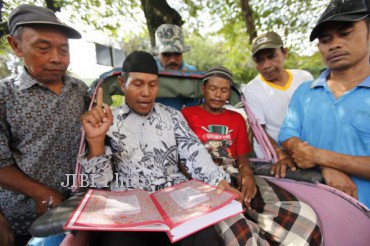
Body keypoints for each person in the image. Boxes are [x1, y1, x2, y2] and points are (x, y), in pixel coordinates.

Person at [80, 51, 245, 245]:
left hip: (178, 204)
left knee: (207, 238)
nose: (146, 93)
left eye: (153, 84)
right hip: (128, 209)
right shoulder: (106, 122)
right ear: (123, 84)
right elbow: (99, 183)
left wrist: (219, 182)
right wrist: (97, 141)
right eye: (138, 84)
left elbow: (194, 153)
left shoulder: (172, 116)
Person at [181, 66, 322, 245]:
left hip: (233, 173)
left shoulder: (236, 118)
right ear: (203, 89)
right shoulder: (186, 115)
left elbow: (242, 157)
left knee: (298, 212)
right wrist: (206, 183)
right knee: (238, 226)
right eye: (213, 88)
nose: (218, 95)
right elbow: (181, 158)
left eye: (224, 90)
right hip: (201, 180)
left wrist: (246, 173)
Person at [0, 4, 88, 245]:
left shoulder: (79, 90)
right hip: (21, 221)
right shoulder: (4, 95)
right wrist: (41, 192)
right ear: (16, 45)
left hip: (76, 214)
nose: (56, 59)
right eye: (43, 48)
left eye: (64, 50)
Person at [279, 0, 370, 209]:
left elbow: (308, 154)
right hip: (313, 213)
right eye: (326, 39)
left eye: (345, 33)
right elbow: (287, 135)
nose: (335, 44)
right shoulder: (305, 91)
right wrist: (325, 165)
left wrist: (320, 157)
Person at [242, 32, 313, 178]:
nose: (266, 65)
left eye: (271, 56)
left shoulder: (305, 78)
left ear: (284, 52)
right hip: (271, 155)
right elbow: (259, 131)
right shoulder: (252, 89)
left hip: (305, 149)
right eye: (259, 60)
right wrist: (279, 154)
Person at [152, 24, 199, 110]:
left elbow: (193, 108)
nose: (172, 60)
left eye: (177, 53)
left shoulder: (191, 74)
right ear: (158, 54)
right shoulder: (147, 71)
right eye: (166, 54)